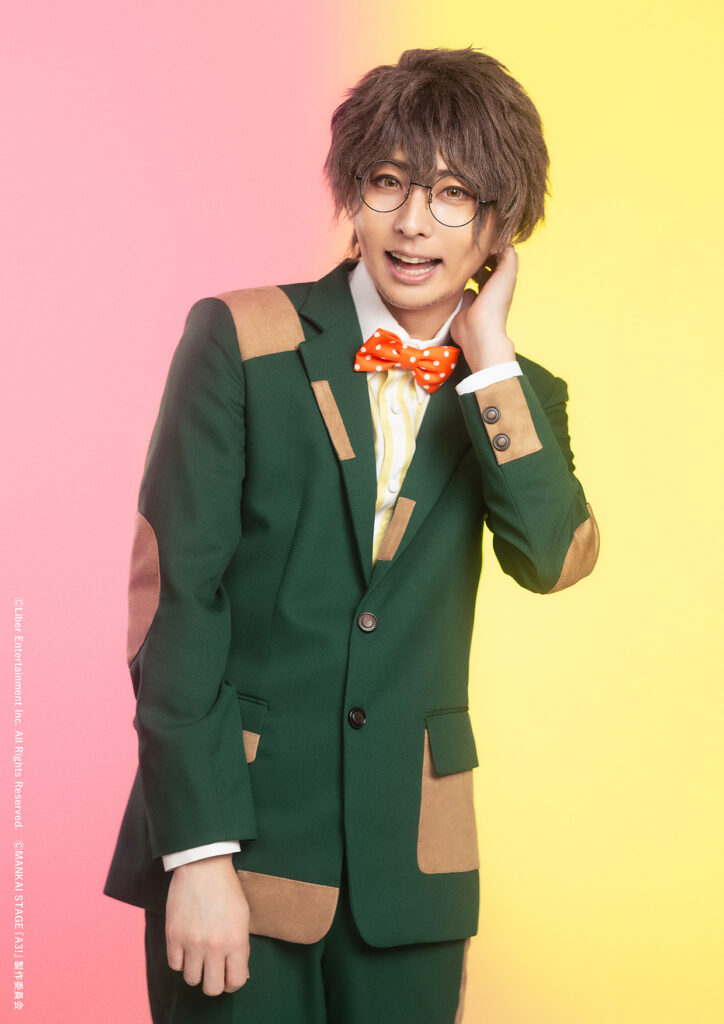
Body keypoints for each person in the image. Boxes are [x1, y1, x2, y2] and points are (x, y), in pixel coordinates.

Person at [104, 45, 599, 1024]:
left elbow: (555, 558)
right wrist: (196, 855)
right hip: (240, 849)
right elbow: (176, 600)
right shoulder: (242, 338)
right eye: (388, 183)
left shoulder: (514, 395)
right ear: (354, 194)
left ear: (499, 224)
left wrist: (490, 357)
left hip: (413, 874)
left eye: (453, 196)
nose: (413, 222)